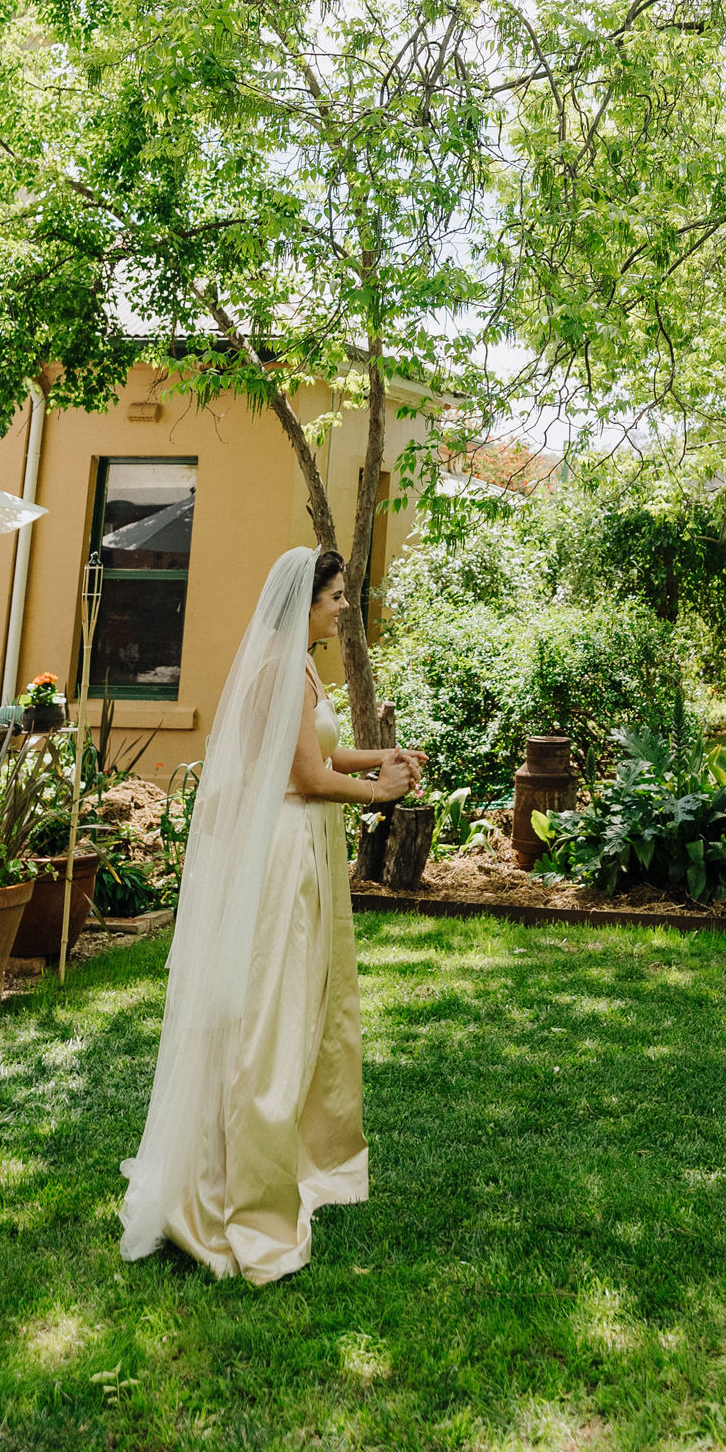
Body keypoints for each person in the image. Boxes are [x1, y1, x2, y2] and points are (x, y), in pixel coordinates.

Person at [120, 545, 423, 1281]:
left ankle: (299, 1155)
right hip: (284, 854)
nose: (344, 608)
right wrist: (380, 794)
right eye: (336, 597)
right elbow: (308, 779)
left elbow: (318, 752)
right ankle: (243, 1194)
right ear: (305, 603)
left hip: (305, 844)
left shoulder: (301, 667)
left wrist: (384, 757)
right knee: (273, 1012)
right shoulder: (282, 670)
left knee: (307, 1003)